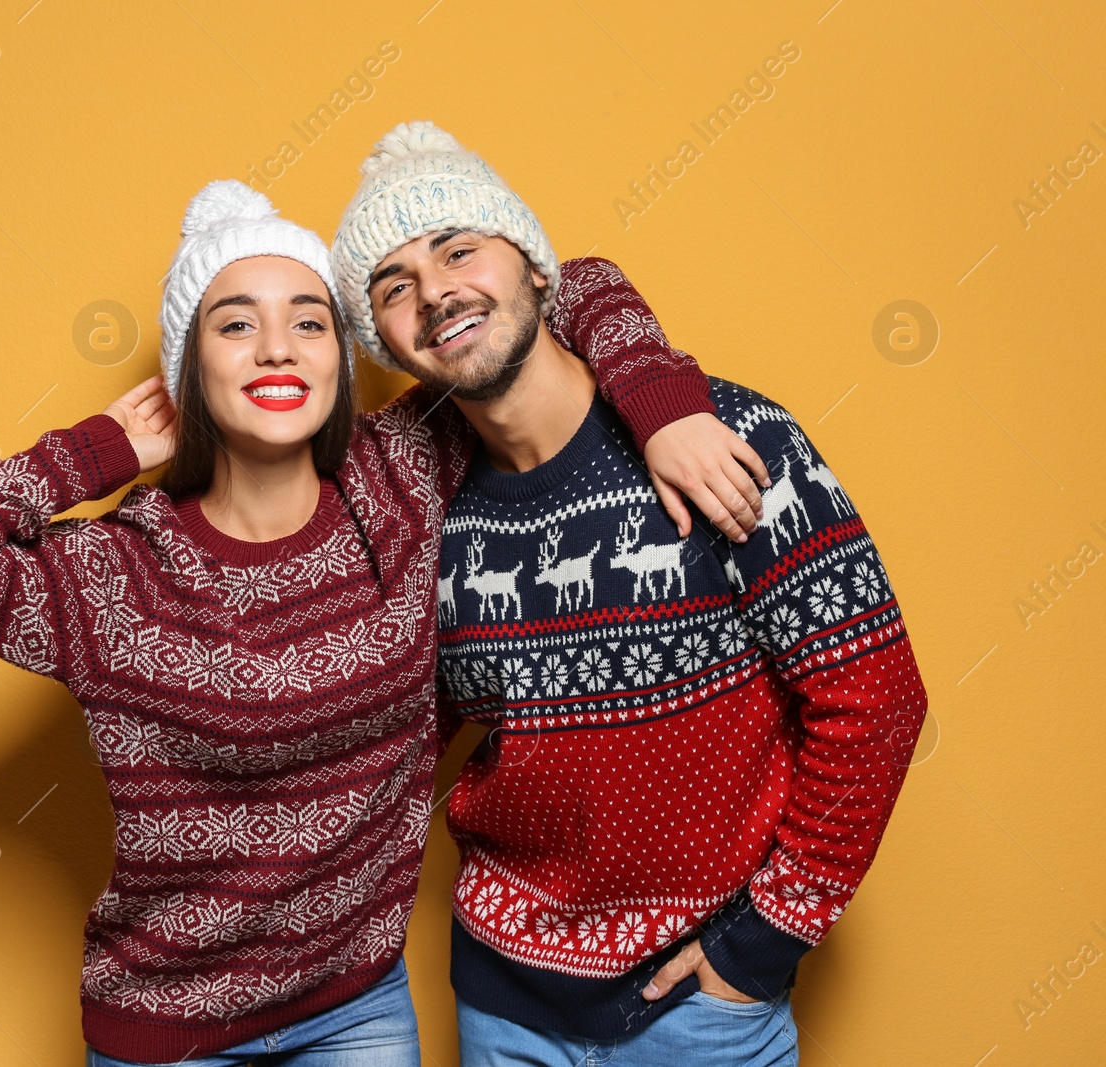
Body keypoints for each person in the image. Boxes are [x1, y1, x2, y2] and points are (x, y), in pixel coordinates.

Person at [0, 178, 758, 1066]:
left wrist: (662, 407)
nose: (277, 348)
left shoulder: (398, 474)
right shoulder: (115, 573)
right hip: (169, 1032)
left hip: (356, 1009)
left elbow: (568, 282)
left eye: (309, 322)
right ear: (188, 368)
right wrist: (103, 448)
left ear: (339, 358)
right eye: (236, 323)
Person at [330, 121, 930, 1065]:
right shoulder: (423, 512)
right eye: (393, 287)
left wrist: (765, 942)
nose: (435, 291)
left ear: (534, 271)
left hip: (703, 1009)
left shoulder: (726, 440)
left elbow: (878, 700)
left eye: (458, 250)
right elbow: (395, 731)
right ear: (389, 343)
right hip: (502, 1000)